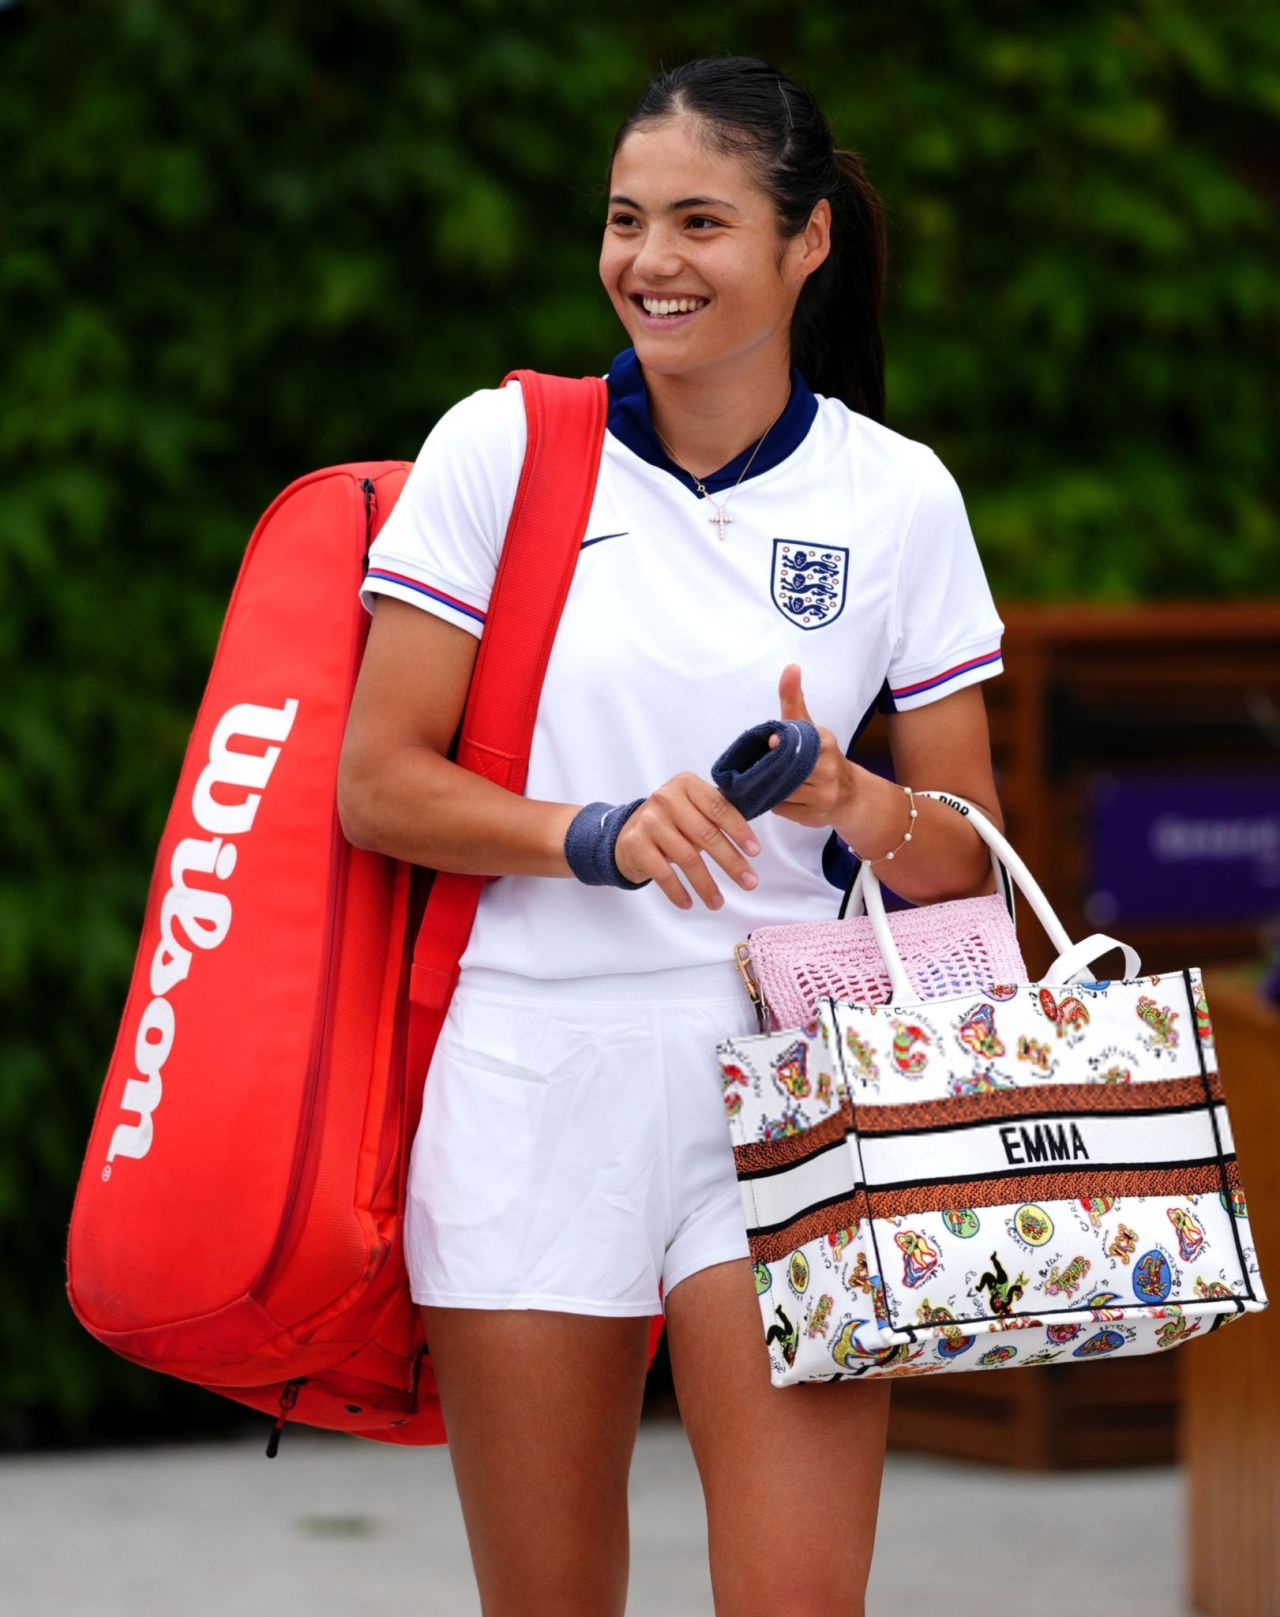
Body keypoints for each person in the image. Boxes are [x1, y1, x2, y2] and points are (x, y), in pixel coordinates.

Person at [338, 54, 1006, 1617]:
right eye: (627, 219)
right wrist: (599, 833)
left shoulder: (899, 495)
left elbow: (964, 853)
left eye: (700, 221)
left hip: (797, 1086)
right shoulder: (498, 451)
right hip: (530, 1081)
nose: (649, 262)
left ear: (808, 242)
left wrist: (854, 799)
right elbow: (379, 781)